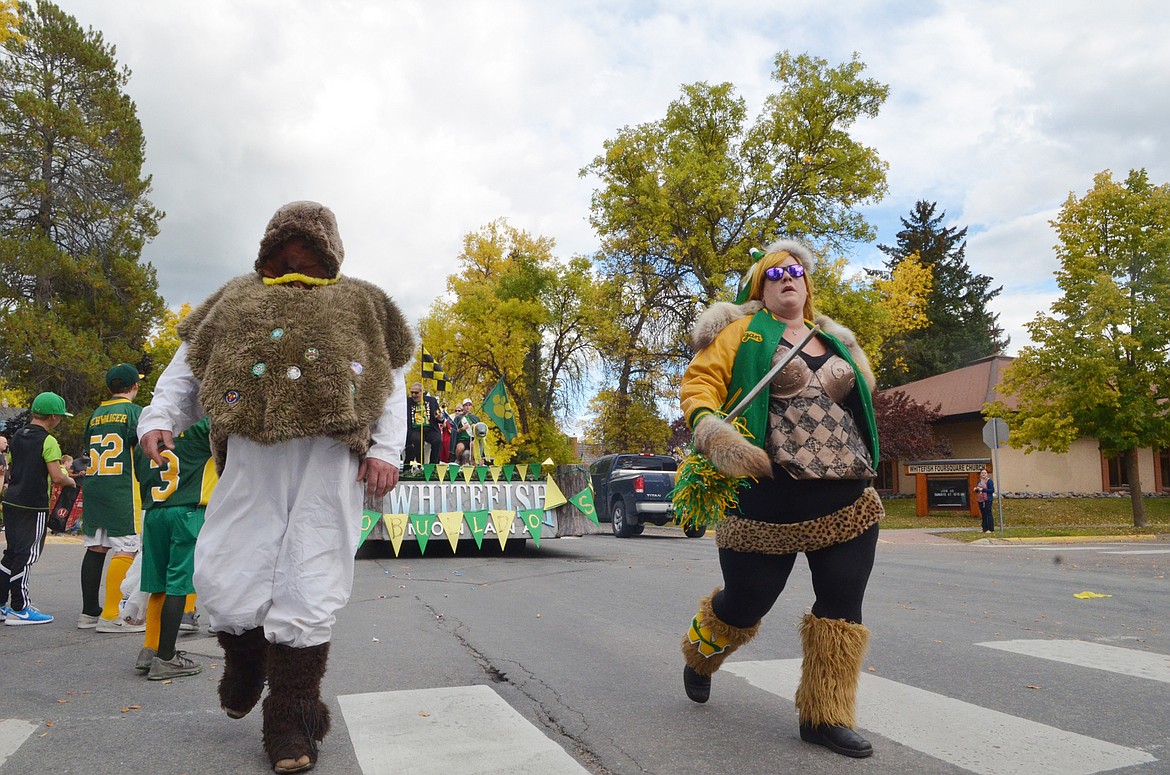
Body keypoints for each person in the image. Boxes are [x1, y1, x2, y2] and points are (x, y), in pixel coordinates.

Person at [138, 200, 411, 773]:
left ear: (329, 250)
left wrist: (386, 449)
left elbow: (390, 383)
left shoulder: (363, 303)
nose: (298, 256)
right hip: (251, 459)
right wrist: (159, 417)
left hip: (330, 462)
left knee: (311, 583)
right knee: (224, 573)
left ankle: (292, 719)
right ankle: (244, 658)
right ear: (269, 245)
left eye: (310, 247)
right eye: (288, 245)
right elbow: (186, 369)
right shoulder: (234, 299)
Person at [677, 239, 884, 759]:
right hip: (766, 497)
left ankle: (824, 716)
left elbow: (861, 400)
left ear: (808, 284)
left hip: (846, 495)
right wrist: (710, 428)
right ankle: (701, 653)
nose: (787, 277)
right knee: (745, 604)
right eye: (775, 273)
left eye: (796, 271)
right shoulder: (739, 333)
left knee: (841, 607)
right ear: (760, 288)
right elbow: (699, 385)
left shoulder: (835, 338)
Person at [133, 416, 216, 680]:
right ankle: (167, 657)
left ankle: (151, 647)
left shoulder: (145, 438)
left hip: (155, 513)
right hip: (186, 511)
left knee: (157, 584)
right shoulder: (199, 431)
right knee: (178, 585)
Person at [79, 363, 147, 633]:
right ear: (134, 386)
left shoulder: (96, 414)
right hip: (122, 488)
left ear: (109, 387)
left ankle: (88, 612)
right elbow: (142, 449)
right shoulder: (135, 412)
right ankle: (112, 613)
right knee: (128, 547)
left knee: (96, 546)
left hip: (96, 484)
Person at [1, 392, 78, 625]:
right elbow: (56, 476)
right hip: (33, 503)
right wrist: (71, 481)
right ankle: (20, 608)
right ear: (53, 416)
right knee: (27, 554)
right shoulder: (49, 441)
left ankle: (2, 605)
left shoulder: (17, 435)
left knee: (11, 553)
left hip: (12, 499)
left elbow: (15, 466)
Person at [405, 382, 443, 466]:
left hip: (430, 428)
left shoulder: (432, 401)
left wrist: (440, 418)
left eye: (416, 393)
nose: (414, 395)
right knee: (417, 440)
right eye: (412, 393)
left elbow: (440, 418)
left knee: (437, 440)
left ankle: (433, 465)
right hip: (415, 429)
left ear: (422, 392)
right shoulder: (407, 402)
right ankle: (420, 464)